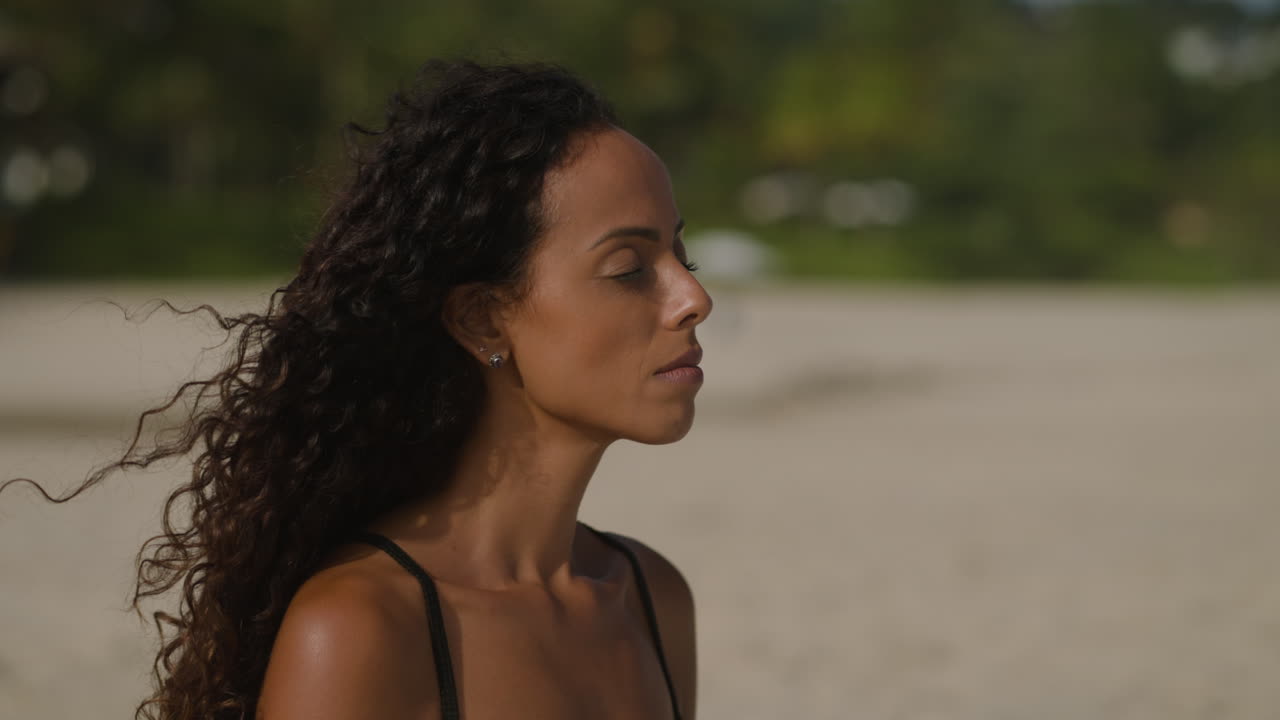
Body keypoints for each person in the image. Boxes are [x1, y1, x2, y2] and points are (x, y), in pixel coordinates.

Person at [5, 60, 709, 719]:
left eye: (680, 253)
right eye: (629, 268)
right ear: (482, 319)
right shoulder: (360, 630)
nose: (693, 297)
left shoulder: (652, 597)